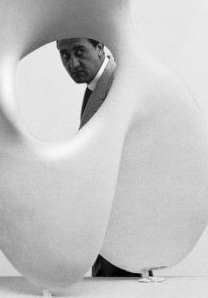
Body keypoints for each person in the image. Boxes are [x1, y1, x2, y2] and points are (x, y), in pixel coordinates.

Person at [57, 38, 146, 278]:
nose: (73, 63)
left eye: (79, 51)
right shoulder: (96, 86)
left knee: (118, 286)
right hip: (104, 215)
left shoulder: (118, 84)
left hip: (121, 216)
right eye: (65, 55)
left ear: (100, 48)